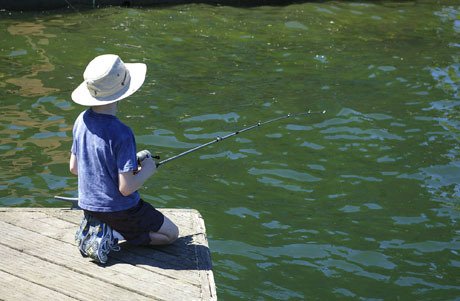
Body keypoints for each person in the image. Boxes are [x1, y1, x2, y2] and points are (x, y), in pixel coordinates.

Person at [69, 54, 178, 261]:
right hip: (120, 210)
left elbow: (75, 167)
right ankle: (115, 233)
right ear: (122, 92)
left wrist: (124, 162)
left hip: (89, 205)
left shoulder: (80, 120)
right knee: (171, 234)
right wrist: (148, 169)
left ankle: (106, 226)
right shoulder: (122, 132)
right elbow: (126, 188)